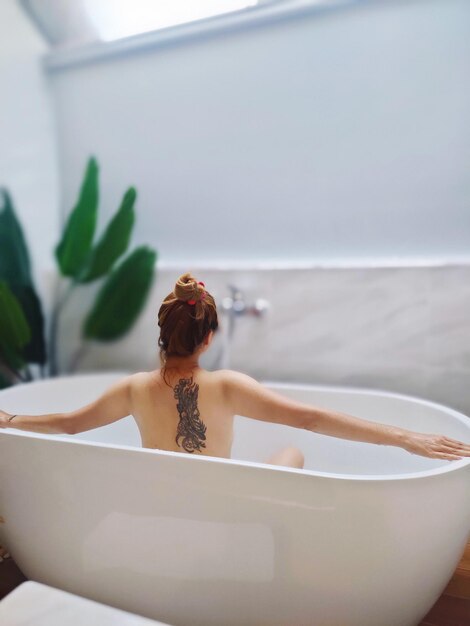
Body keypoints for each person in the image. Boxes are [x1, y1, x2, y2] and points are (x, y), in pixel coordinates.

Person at [1, 273, 469, 468]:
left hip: (158, 505)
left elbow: (67, 424)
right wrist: (407, 438)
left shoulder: (132, 389)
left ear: (161, 334)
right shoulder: (227, 386)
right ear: (209, 339)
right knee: (292, 453)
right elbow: (310, 418)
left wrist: (12, 421)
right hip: (223, 505)